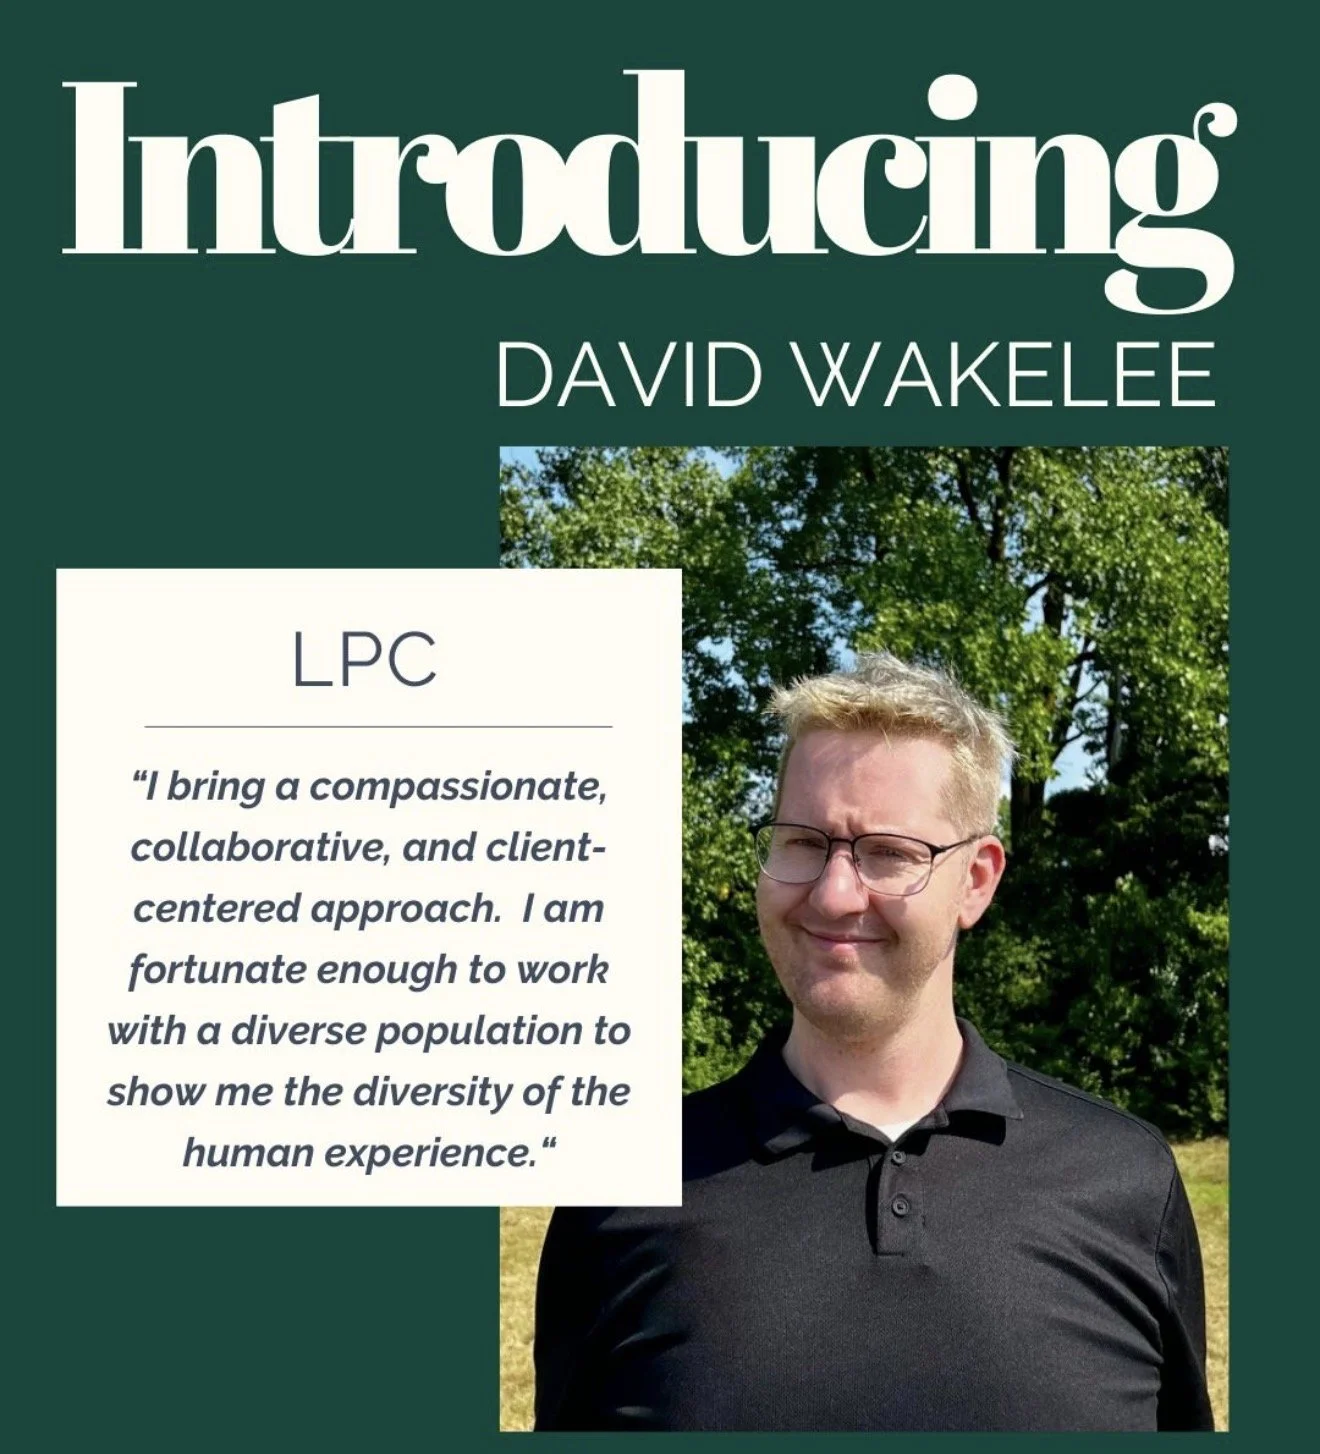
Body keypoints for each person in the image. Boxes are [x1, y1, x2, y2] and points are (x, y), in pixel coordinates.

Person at [533, 653, 1212, 1432]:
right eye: (801, 842)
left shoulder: (1122, 1180)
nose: (833, 893)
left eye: (890, 853)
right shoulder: (622, 1191)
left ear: (978, 880)